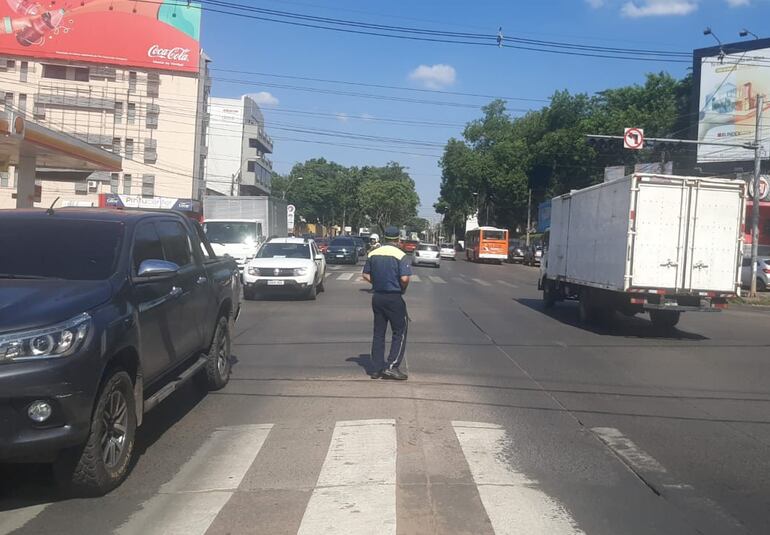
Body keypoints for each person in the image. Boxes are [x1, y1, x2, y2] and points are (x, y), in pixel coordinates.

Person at [362, 226, 410, 380]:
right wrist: (402, 289)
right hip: (394, 298)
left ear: (384, 238)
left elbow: (365, 274)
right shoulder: (400, 255)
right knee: (399, 332)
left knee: (378, 333)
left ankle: (376, 369)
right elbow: (405, 278)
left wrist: (377, 283)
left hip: (378, 297)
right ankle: (391, 366)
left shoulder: (373, 253)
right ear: (397, 239)